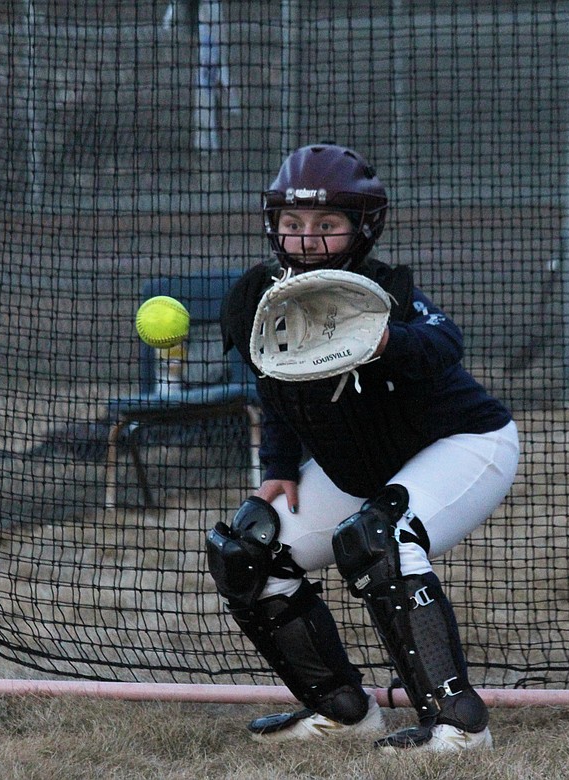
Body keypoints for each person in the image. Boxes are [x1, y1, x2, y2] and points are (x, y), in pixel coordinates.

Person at [210, 143, 519, 753]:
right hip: (359, 466)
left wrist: (384, 342)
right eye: (293, 224)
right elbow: (272, 385)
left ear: (361, 227)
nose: (307, 239)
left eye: (327, 225)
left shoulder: (382, 291)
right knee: (250, 552)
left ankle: (458, 728)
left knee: (381, 541)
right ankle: (343, 711)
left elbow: (445, 343)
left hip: (462, 443)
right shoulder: (258, 297)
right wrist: (277, 469)